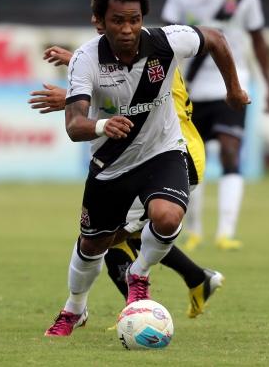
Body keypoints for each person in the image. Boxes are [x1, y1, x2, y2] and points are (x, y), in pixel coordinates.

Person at [39, 0, 249, 336]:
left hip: (166, 151)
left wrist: (233, 90)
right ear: (100, 21)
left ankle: (139, 280)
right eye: (117, 20)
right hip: (112, 164)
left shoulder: (166, 42)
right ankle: (74, 308)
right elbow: (77, 122)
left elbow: (215, 37)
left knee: (165, 218)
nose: (127, 29)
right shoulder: (86, 59)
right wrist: (100, 121)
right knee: (96, 242)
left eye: (134, 20)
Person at [29, 45, 223, 329]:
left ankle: (134, 312)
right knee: (131, 231)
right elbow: (119, 78)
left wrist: (73, 95)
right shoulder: (135, 54)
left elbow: (129, 94)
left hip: (169, 154)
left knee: (110, 236)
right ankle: (196, 278)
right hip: (175, 152)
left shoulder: (156, 51)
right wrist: (76, 62)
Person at [162, 0, 269, 251]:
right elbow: (165, 38)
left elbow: (259, 41)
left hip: (231, 86)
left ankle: (225, 231)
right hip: (191, 89)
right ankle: (194, 231)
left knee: (229, 151)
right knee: (188, 159)